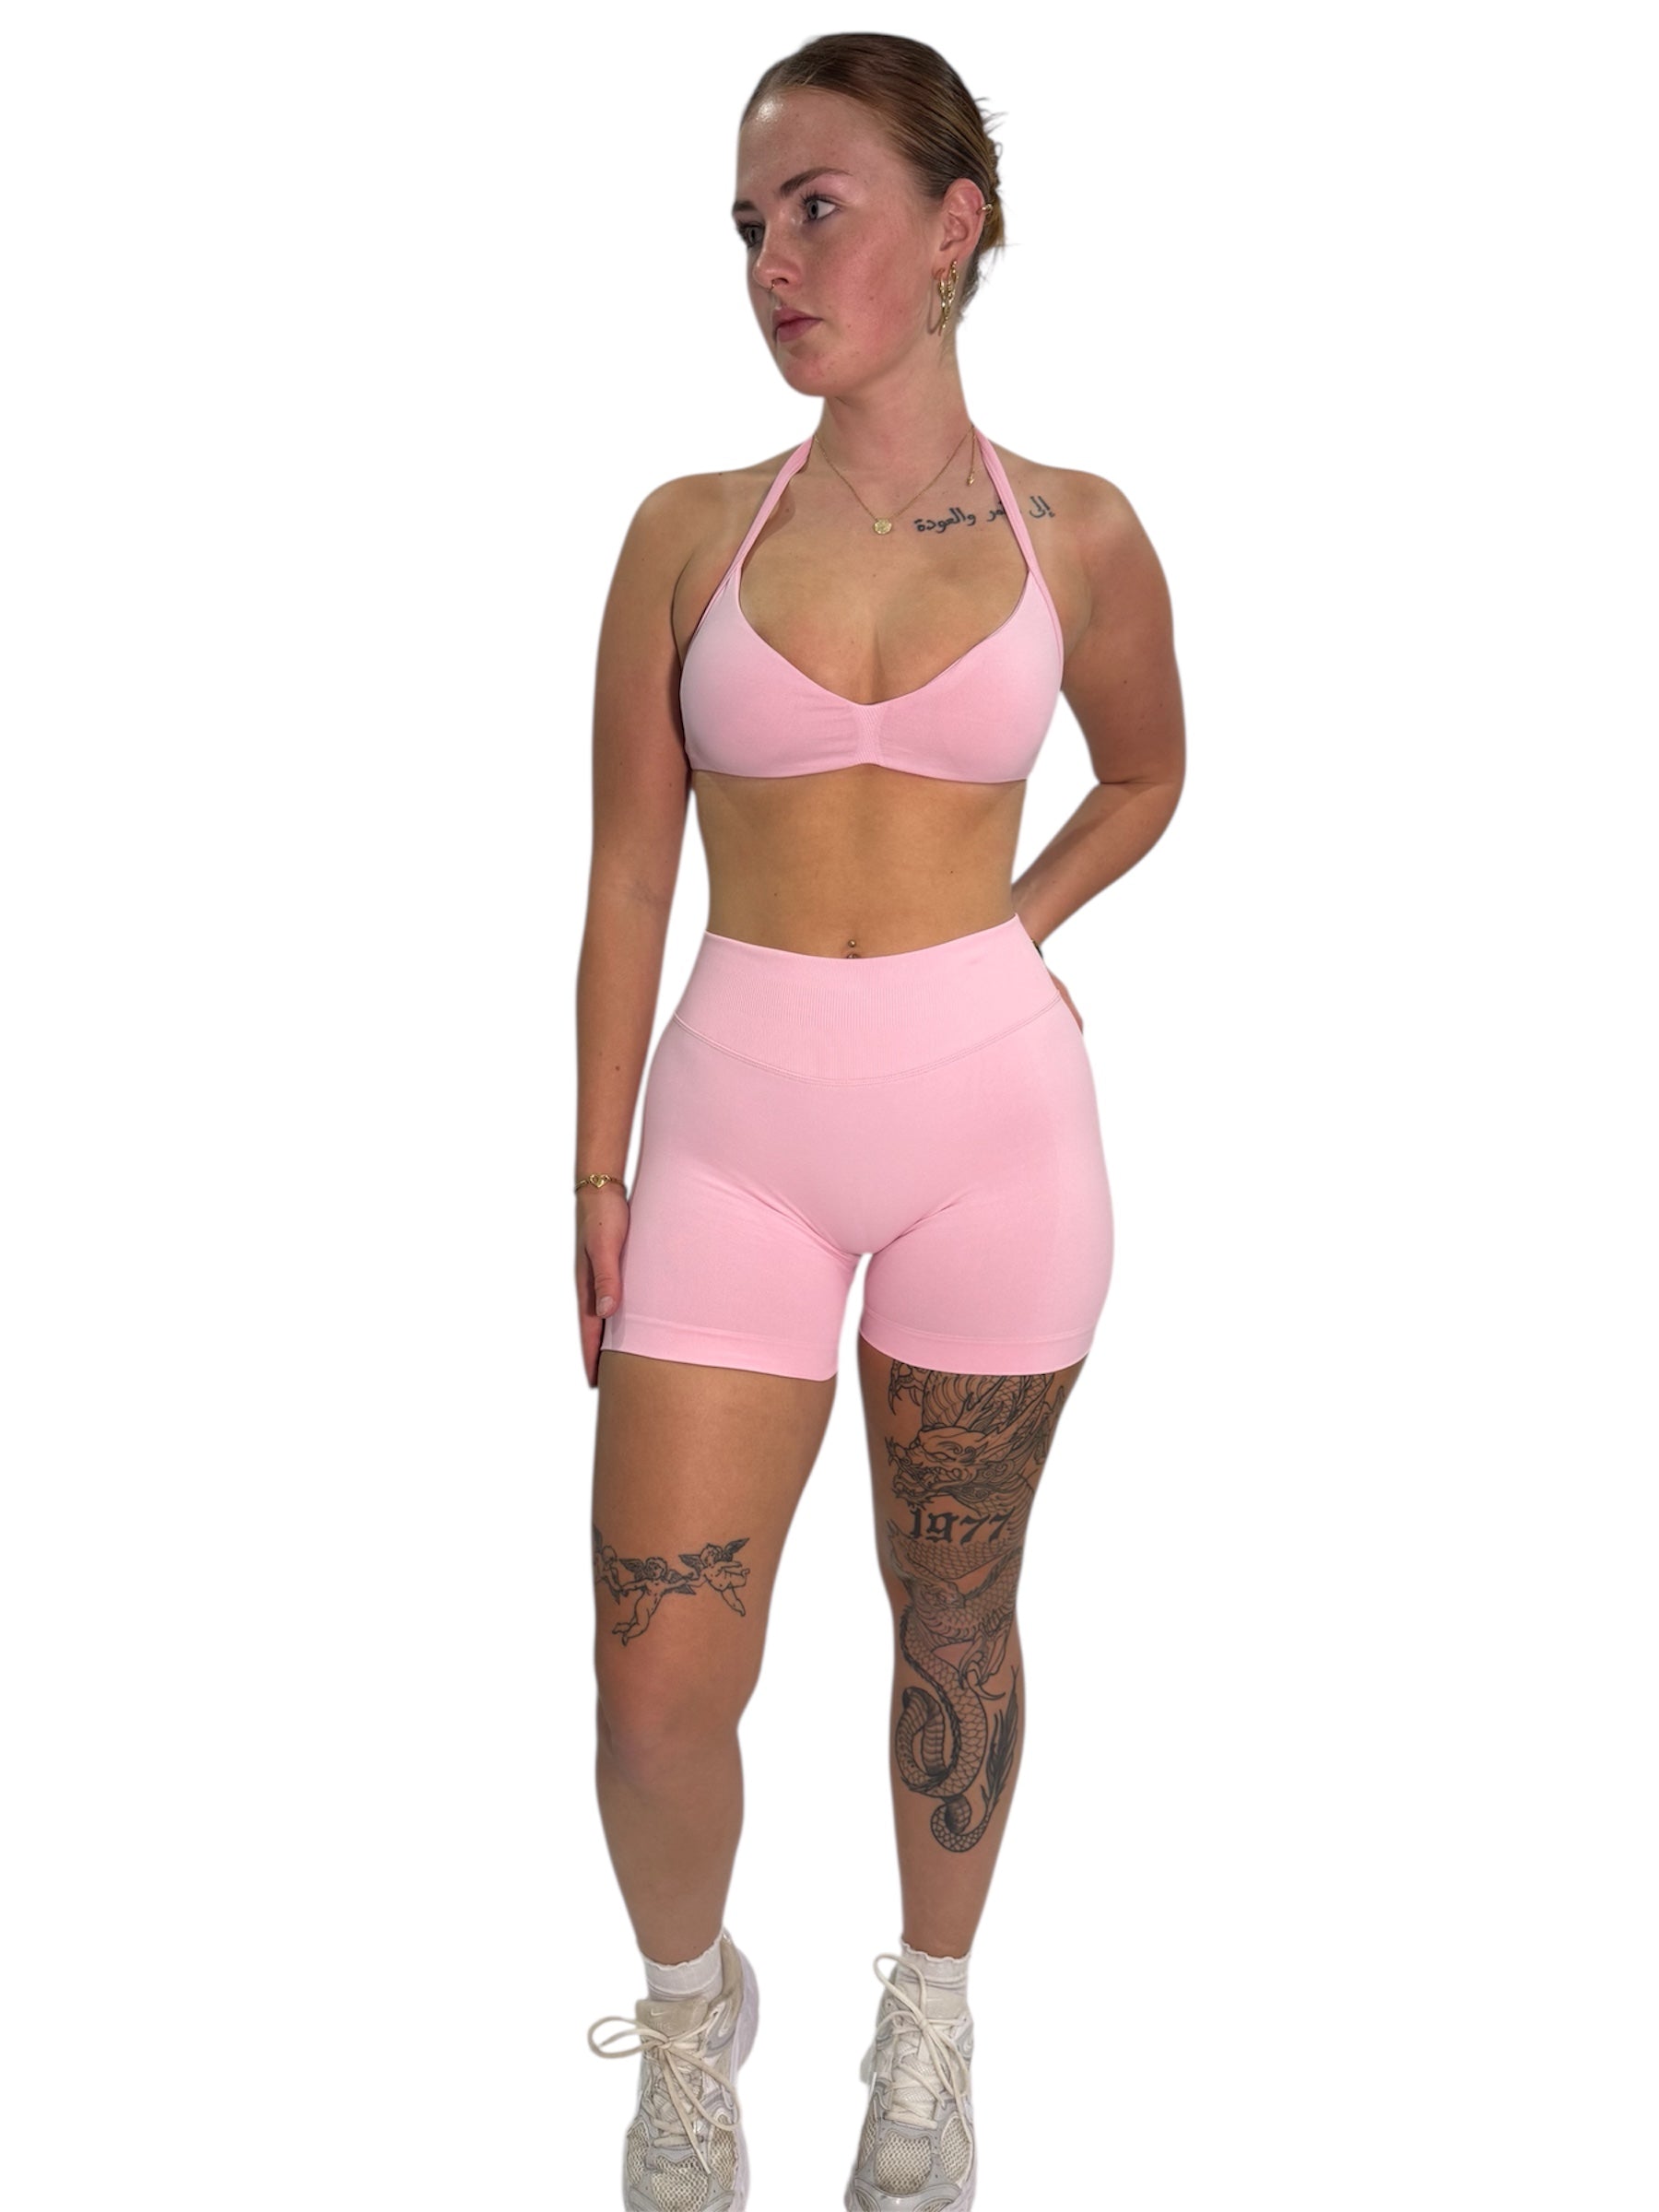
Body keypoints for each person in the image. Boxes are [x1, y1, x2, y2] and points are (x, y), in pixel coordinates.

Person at [577, 31, 1184, 2211]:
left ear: (955, 228)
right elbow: (629, 874)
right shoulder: (685, 535)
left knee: (953, 1623)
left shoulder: (1080, 534)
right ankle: (685, 2022)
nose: (772, 260)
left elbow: (1148, 773)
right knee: (657, 1686)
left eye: (816, 208)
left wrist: (1011, 930)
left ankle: (929, 2022)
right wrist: (592, 1170)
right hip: (729, 1137)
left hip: (991, 1134)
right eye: (749, 224)